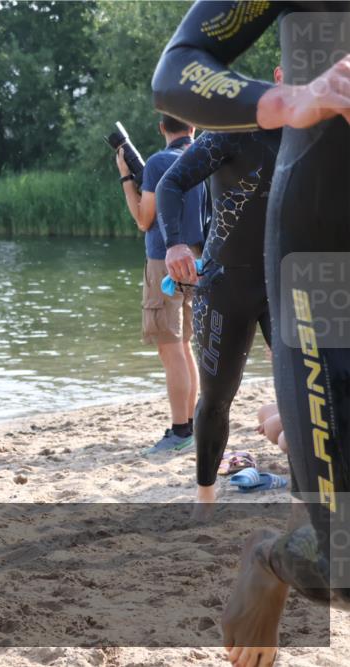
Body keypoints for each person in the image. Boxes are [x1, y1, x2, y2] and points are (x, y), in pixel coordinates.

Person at [153, 2, 350, 665]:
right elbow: (178, 71)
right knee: (342, 560)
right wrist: (292, 98)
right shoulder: (229, 141)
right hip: (323, 257)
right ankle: (272, 557)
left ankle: (290, 425)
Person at [157, 67, 284, 504]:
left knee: (313, 390)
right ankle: (205, 496)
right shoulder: (235, 129)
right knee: (217, 397)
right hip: (224, 283)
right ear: (281, 74)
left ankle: (314, 497)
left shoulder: (321, 135)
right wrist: (175, 245)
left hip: (285, 283)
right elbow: (171, 181)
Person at [116, 114, 205, 454]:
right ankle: (191, 424)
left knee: (170, 347)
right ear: (192, 127)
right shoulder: (202, 157)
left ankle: (180, 431)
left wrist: (126, 176)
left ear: (161, 127)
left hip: (163, 261)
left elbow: (143, 218)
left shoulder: (157, 162)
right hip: (196, 260)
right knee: (184, 344)